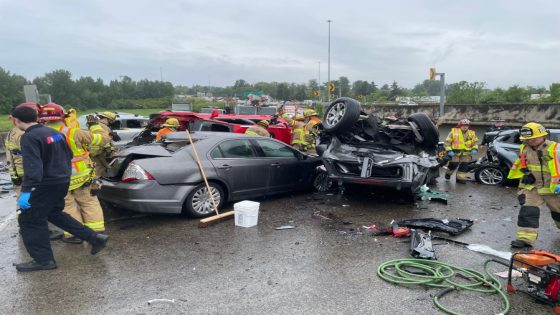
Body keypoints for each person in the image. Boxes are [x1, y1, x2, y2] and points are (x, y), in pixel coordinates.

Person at [11, 106, 108, 272]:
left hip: (45, 184)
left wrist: (26, 192)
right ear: (36, 117)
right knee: (53, 214)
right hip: (62, 181)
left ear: (16, 120)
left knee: (30, 220)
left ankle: (43, 260)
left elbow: (33, 169)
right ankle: (94, 237)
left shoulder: (29, 137)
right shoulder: (54, 133)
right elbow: (68, 156)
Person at [39, 103, 111, 244]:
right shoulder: (73, 132)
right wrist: (95, 125)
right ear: (63, 116)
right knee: (89, 202)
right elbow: (103, 139)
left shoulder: (39, 134)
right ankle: (96, 233)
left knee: (67, 206)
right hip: (81, 177)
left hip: (57, 179)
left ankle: (74, 235)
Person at [5, 103, 63, 240]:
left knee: (25, 203)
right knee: (32, 205)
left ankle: (28, 228)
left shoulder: (15, 130)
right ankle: (36, 231)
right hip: (27, 173)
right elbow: (34, 156)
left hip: (19, 172)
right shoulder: (24, 134)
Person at [507, 122, 560, 248]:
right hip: (532, 187)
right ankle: (525, 239)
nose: (530, 141)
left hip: (553, 188)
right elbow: (522, 163)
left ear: (543, 136)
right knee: (528, 211)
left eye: (533, 139)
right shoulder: (524, 148)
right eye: (527, 139)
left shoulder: (555, 148)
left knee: (558, 213)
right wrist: (525, 173)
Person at [444, 119, 479, 184]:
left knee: (464, 166)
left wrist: (475, 149)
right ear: (460, 125)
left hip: (466, 153)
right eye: (463, 125)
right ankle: (448, 174)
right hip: (454, 153)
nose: (465, 127)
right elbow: (447, 142)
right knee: (453, 164)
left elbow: (475, 143)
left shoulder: (472, 133)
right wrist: (449, 151)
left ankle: (460, 179)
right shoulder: (453, 132)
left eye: (466, 125)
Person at [91, 111, 118, 177]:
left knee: (95, 167)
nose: (110, 123)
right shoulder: (104, 127)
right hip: (100, 152)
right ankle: (98, 184)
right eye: (111, 121)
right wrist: (112, 151)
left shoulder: (95, 125)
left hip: (93, 152)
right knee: (100, 169)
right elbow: (105, 141)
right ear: (107, 119)